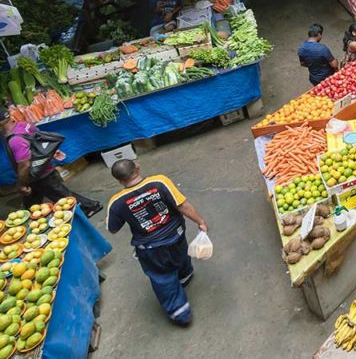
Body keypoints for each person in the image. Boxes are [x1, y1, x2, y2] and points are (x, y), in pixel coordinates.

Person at [106, 160, 208, 327]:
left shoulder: (116, 201)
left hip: (150, 248)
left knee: (162, 277)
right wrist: (200, 222)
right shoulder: (160, 182)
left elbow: (113, 229)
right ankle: (185, 276)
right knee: (181, 256)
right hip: (176, 235)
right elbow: (182, 205)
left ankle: (180, 313)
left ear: (119, 180)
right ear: (137, 168)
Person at [1, 110, 103, 216]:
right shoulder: (23, 124)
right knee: (31, 201)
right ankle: (28, 217)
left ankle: (91, 206)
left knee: (63, 196)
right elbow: (39, 138)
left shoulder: (15, 140)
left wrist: (21, 184)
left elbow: (24, 165)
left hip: (39, 175)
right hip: (39, 171)